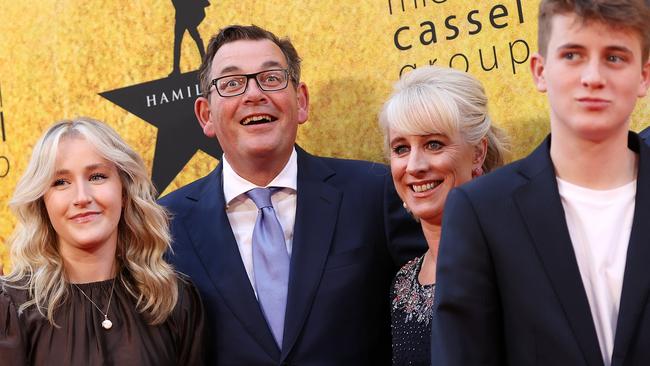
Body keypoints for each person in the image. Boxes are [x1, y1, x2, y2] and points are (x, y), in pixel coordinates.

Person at [159, 24, 427, 365]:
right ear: (205, 115)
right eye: (231, 83)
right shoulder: (166, 224)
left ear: (300, 102)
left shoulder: (374, 192)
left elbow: (428, 316)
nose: (254, 94)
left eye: (271, 78)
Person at [430, 0, 650, 365]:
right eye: (573, 55)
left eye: (614, 57)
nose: (593, 77)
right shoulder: (482, 213)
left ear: (643, 75)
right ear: (539, 70)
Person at [0, 117, 205, 365]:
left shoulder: (171, 297)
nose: (82, 197)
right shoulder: (13, 309)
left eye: (97, 176)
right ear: (43, 203)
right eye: (61, 182)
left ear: (125, 192)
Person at [379, 66, 507, 365]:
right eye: (401, 148)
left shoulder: (517, 258)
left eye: (433, 144)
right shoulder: (404, 283)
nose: (414, 165)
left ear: (477, 153)